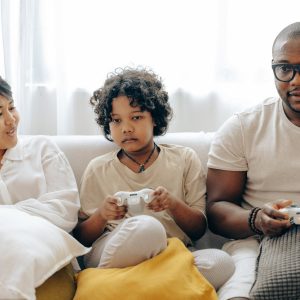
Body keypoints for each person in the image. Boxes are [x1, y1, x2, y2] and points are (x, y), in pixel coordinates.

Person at [73, 67, 235, 290]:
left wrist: (172, 204)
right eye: (116, 121)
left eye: (136, 117)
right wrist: (102, 214)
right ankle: (148, 285)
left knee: (221, 263)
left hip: (170, 254)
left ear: (155, 119)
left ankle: (116, 288)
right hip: (113, 251)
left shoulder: (184, 159)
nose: (126, 128)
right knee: (147, 228)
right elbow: (81, 239)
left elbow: (198, 230)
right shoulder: (98, 168)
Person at [206, 22, 300, 300]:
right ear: (273, 68)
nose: (295, 81)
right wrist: (257, 219)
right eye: (285, 68)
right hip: (257, 239)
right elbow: (215, 210)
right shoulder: (244, 127)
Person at [0, 76, 89, 299]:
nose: (11, 120)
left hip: (49, 263)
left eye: (12, 107)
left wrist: (6, 215)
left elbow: (66, 211)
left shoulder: (42, 148)